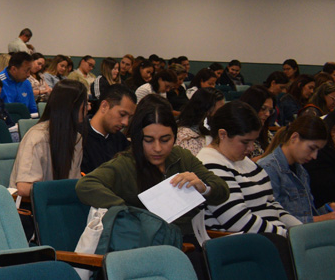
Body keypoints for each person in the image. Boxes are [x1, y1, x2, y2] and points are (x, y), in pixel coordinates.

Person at [76, 95, 228, 226]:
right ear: (137, 138)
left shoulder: (182, 157)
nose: (157, 148)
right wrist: (129, 212)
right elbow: (86, 185)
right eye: (148, 140)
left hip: (190, 238)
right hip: (150, 242)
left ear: (175, 137)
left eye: (165, 140)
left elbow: (222, 191)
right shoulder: (126, 163)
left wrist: (204, 188)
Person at [196, 101, 300, 242]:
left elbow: (272, 204)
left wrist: (299, 230)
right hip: (248, 244)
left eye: (254, 141)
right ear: (222, 134)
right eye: (245, 142)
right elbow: (238, 221)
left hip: (272, 237)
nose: (251, 148)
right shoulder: (209, 164)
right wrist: (287, 236)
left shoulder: (244, 161)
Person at [258, 113, 335, 225]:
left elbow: (306, 213)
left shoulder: (301, 171)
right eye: (312, 148)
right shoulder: (268, 169)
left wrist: (328, 208)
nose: (314, 156)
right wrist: (322, 219)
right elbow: (273, 219)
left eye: (318, 150)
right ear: (294, 138)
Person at [10, 79, 86, 200]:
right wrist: (61, 190)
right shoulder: (37, 138)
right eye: (85, 104)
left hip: (59, 202)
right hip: (32, 206)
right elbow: (24, 188)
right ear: (73, 106)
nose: (88, 108)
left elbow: (73, 181)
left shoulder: (76, 138)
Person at [82, 84, 136, 173]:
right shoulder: (79, 139)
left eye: (129, 117)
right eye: (122, 114)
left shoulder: (121, 140)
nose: (125, 122)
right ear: (104, 106)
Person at [175, 87, 225, 157]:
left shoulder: (215, 131)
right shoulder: (186, 137)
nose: (223, 115)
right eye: (219, 111)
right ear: (206, 111)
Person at [235, 84, 276, 156]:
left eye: (270, 111)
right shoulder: (236, 133)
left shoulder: (266, 133)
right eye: (263, 108)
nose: (267, 114)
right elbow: (241, 161)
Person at [0, 52, 39, 118]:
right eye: (26, 71)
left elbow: (33, 109)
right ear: (13, 69)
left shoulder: (27, 83)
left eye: (30, 70)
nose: (28, 75)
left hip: (25, 122)